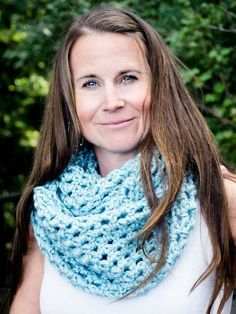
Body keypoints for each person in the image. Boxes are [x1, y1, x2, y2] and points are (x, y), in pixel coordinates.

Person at [4, 5, 236, 314]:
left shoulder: (218, 198)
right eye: (90, 83)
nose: (112, 102)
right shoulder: (49, 214)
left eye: (128, 78)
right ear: (69, 100)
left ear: (159, 85)